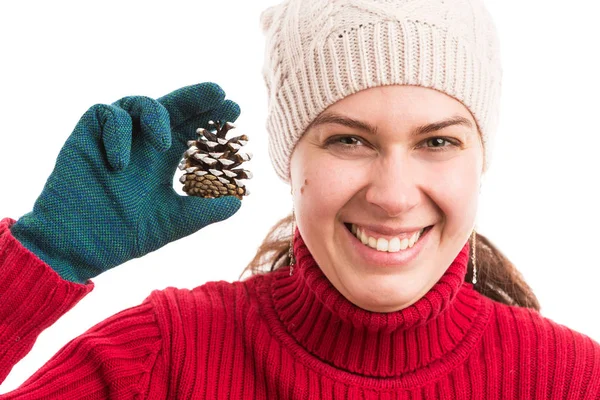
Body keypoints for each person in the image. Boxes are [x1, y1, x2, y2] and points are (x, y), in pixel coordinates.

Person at [1, 0, 599, 399]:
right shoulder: (162, 360)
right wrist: (40, 261)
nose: (392, 196)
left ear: (481, 160)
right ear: (290, 158)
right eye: (347, 140)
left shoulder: (570, 381)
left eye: (438, 141)